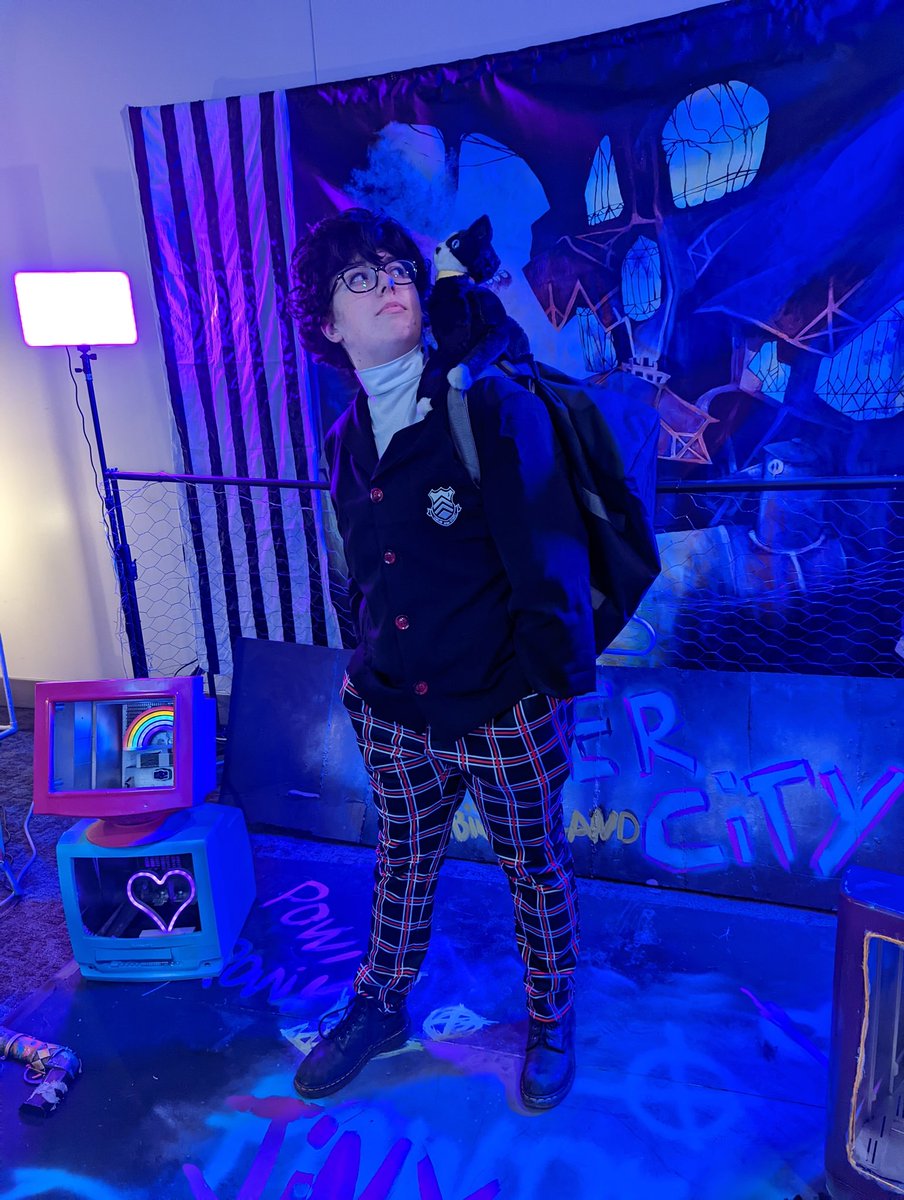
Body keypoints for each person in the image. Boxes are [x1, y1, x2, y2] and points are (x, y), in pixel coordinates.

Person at [287, 207, 596, 1110]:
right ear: (327, 322)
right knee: (403, 862)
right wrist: (364, 670)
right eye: (360, 277)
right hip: (393, 709)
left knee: (534, 866)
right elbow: (355, 570)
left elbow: (551, 554)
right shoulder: (343, 441)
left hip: (500, 703)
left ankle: (551, 1016)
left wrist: (540, 690)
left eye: (396, 270)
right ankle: (381, 1007)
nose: (389, 283)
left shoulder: (481, 401)